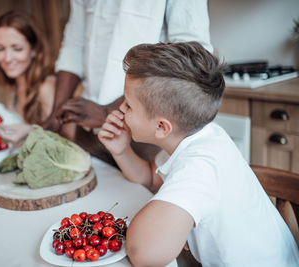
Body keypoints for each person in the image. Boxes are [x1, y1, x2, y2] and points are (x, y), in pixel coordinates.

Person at [98, 42, 299, 266]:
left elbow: (144, 253)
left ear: (162, 128)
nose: (120, 111)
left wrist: (170, 224)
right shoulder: (199, 135)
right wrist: (122, 150)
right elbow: (152, 180)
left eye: (128, 106)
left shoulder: (198, 167)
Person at [43, 0, 213, 164]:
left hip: (145, 131)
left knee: (142, 190)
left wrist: (107, 112)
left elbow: (190, 59)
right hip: (88, 125)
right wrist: (55, 114)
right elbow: (74, 45)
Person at [0, 10, 66, 144]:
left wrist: (29, 130)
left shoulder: (46, 87)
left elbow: (62, 140)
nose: (7, 58)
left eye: (17, 49)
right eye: (0, 49)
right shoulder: (13, 86)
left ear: (34, 50)